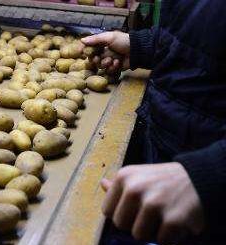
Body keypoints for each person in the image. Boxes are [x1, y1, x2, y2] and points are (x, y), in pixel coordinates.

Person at [80, 0, 226, 244]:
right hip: (166, 151)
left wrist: (210, 174)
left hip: (204, 200)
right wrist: (143, 46)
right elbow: (200, 33)